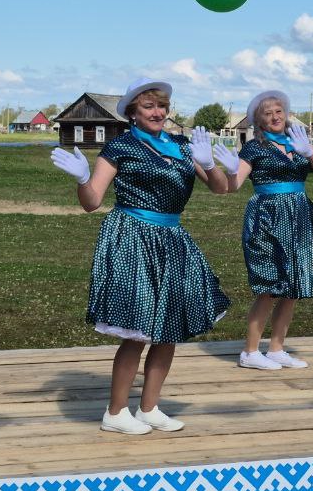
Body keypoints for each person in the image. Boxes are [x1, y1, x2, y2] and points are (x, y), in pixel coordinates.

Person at [50, 77, 231, 434]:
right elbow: (92, 202)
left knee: (169, 329)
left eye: (162, 106)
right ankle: (116, 412)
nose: (158, 112)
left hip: (172, 238)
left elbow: (221, 188)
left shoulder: (182, 146)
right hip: (132, 237)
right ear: (133, 112)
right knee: (137, 329)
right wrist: (82, 179)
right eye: (149, 106)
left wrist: (209, 164)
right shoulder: (120, 147)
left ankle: (149, 408)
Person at [211, 90, 313, 370]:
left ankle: (277, 348)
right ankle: (250, 351)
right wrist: (230, 170)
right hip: (268, 217)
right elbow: (234, 186)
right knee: (270, 286)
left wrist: (309, 151)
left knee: (293, 286)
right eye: (268, 114)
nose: (275, 117)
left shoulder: (297, 142)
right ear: (259, 121)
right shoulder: (254, 148)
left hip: (299, 215)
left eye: (279, 111)